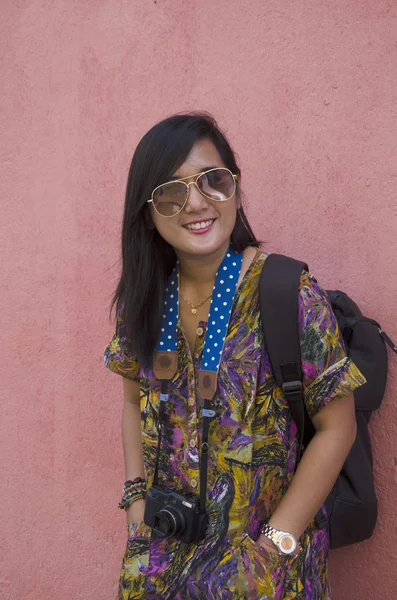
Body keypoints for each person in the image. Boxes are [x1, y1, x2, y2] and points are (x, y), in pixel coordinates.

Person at [104, 113, 366, 600]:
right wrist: (135, 503)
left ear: (236, 188)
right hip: (161, 561)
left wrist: (275, 546)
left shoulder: (288, 292)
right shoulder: (144, 298)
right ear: (148, 210)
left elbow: (338, 426)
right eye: (171, 191)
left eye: (212, 181)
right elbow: (131, 401)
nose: (197, 203)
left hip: (266, 571)